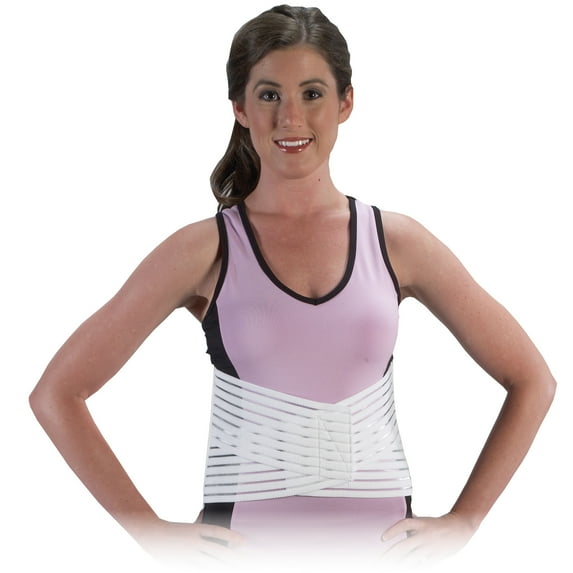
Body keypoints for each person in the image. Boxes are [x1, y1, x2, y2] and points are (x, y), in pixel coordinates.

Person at [29, 4, 556, 570]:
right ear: (240, 108)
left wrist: (466, 520)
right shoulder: (205, 249)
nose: (290, 117)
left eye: (312, 93)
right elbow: (58, 393)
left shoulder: (396, 242)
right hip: (246, 554)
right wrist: (148, 531)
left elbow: (532, 380)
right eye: (268, 95)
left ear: (345, 102)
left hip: (381, 554)